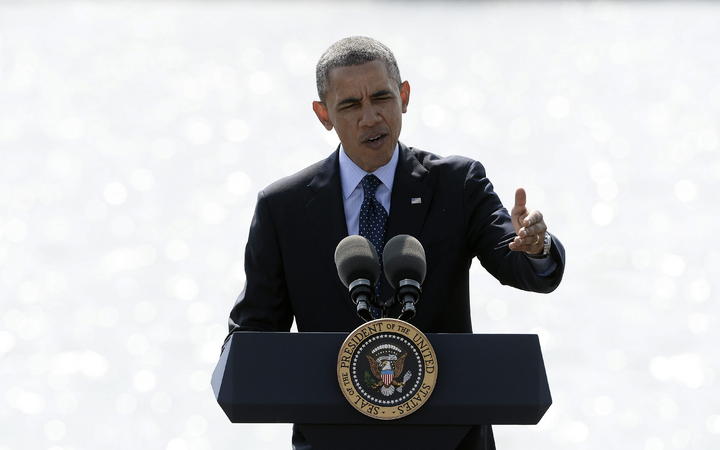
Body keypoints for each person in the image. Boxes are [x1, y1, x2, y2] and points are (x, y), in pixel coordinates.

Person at [224, 36, 565, 450]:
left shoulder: (457, 184)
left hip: (451, 439)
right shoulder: (284, 207)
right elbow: (254, 334)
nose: (370, 117)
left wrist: (536, 246)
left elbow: (519, 262)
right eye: (351, 105)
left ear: (404, 96)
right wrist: (240, 356)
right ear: (323, 114)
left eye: (382, 98)